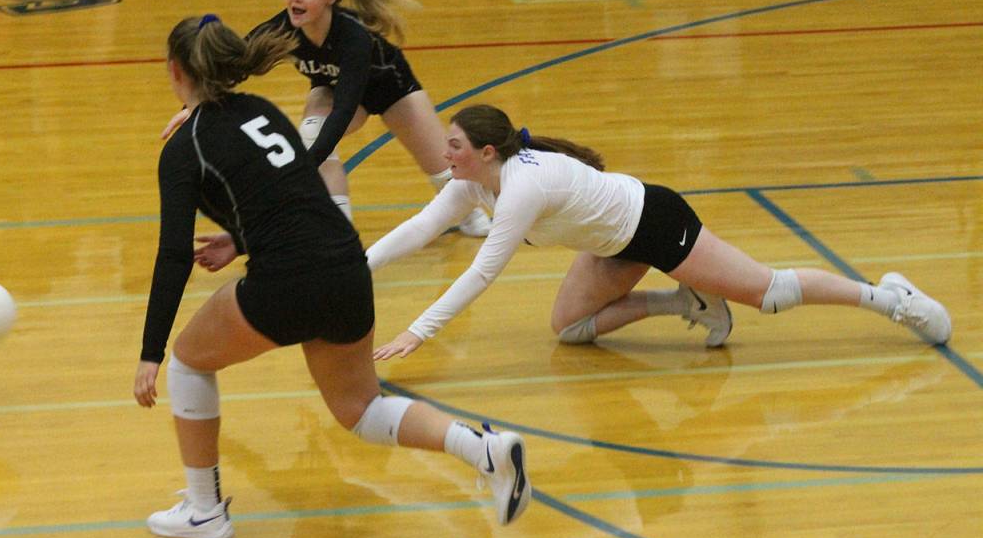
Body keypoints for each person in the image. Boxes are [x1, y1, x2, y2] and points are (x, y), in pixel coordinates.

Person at [135, 18, 530, 538]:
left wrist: (151, 352)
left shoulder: (184, 150)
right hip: (346, 265)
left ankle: (204, 511)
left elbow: (171, 256)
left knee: (188, 361)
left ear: (175, 70)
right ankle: (481, 449)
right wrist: (241, 239)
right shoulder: (261, 111)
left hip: (289, 280)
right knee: (360, 409)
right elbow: (294, 196)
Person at [366, 104, 952, 360]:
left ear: (486, 152)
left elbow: (483, 270)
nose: (444, 153)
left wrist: (419, 332)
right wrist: (357, 266)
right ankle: (685, 300)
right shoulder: (473, 182)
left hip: (658, 223)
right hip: (614, 246)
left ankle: (892, 300)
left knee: (769, 293)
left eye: (454, 145)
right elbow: (420, 228)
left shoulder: (521, 188)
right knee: (570, 330)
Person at [162, 0, 492, 236]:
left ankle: (467, 216)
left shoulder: (353, 38)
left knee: (449, 183)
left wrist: (301, 168)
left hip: (391, 89)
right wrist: (193, 107)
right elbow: (231, 65)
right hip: (330, 91)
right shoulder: (282, 28)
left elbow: (343, 113)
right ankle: (338, 230)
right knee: (312, 135)